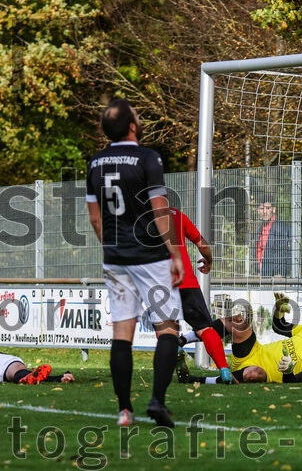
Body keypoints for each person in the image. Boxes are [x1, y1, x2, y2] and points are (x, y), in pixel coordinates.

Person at [86, 98, 184, 428]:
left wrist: (113, 249)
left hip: (115, 259)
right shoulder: (147, 157)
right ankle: (157, 400)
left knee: (122, 332)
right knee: (168, 327)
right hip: (151, 256)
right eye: (137, 115)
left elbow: (96, 219)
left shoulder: (95, 162)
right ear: (132, 125)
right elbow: (159, 211)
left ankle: (124, 410)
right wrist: (174, 253)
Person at [178, 294, 302, 384]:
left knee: (253, 373)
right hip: (255, 351)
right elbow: (280, 327)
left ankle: (195, 379)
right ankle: (183, 340)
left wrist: (288, 371)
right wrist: (278, 310)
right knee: (239, 321)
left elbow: (296, 382)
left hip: (261, 372)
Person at [168, 207, 234, 383]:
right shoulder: (177, 215)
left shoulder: (140, 217)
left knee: (165, 330)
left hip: (160, 284)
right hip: (187, 282)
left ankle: (175, 350)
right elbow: (202, 244)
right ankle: (224, 369)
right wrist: (209, 261)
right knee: (205, 328)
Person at [253, 197, 292, 277]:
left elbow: (285, 253)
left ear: (273, 210)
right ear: (258, 211)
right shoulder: (259, 230)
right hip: (262, 275)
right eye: (261, 208)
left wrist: (281, 273)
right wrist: (257, 271)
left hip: (276, 277)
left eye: (268, 208)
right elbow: (258, 253)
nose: (264, 212)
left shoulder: (281, 228)